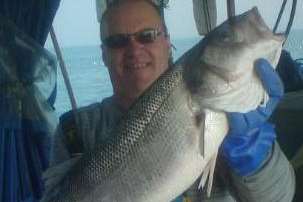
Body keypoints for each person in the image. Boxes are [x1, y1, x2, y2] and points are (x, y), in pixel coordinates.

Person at [44, 0, 295, 201]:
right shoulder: (73, 130)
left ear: (167, 42)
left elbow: (280, 197)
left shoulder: (239, 121)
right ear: (104, 54)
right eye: (117, 41)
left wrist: (256, 159)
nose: (134, 49)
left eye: (147, 35)